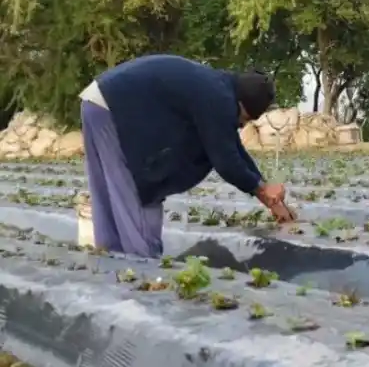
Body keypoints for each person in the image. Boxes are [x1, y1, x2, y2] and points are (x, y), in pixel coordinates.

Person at [78, 54, 293, 258]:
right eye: (243, 120)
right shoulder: (218, 99)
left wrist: (264, 193)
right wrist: (262, 189)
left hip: (97, 100)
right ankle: (141, 266)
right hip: (112, 106)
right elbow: (226, 160)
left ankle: (112, 261)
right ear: (242, 106)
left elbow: (233, 146)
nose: (241, 126)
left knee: (106, 192)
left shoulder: (218, 87)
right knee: (130, 189)